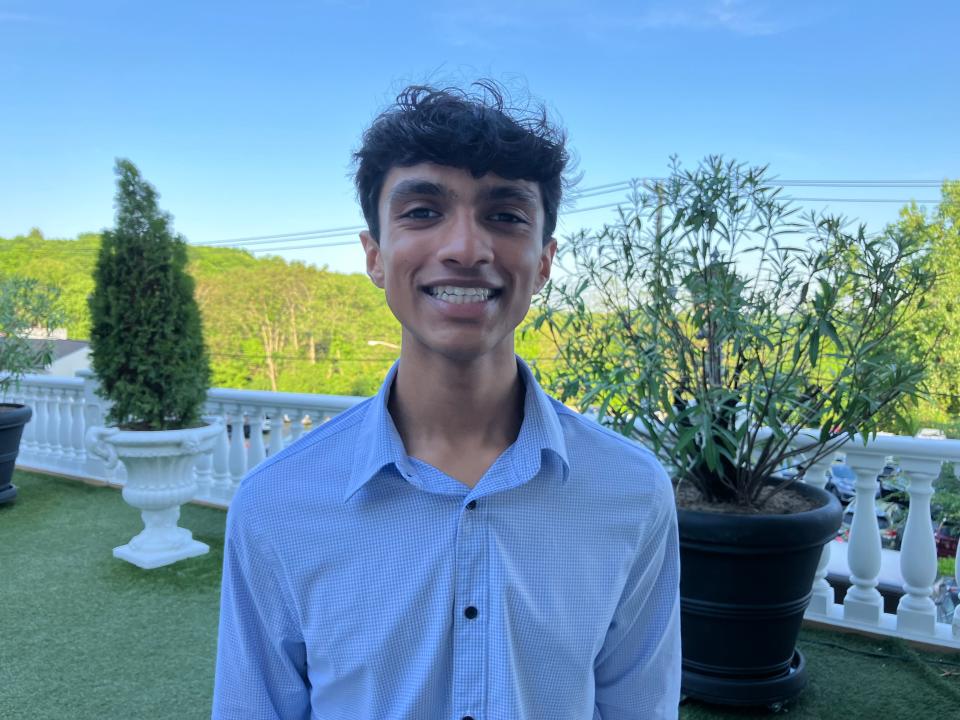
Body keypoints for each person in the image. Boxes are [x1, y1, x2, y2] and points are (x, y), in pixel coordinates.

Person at [212, 81, 681, 719]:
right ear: (374, 256)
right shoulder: (275, 505)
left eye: (506, 215)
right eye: (423, 212)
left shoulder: (631, 491)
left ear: (544, 263)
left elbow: (639, 707)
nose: (465, 248)